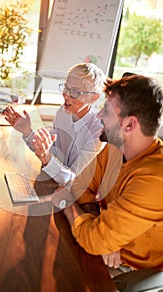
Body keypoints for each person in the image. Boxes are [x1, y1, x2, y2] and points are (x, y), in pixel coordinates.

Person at [54, 74, 163, 272]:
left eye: (106, 111)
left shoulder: (156, 179)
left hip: (134, 277)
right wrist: (102, 233)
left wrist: (66, 203)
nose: (98, 116)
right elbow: (80, 186)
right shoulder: (115, 148)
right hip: (103, 253)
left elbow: (94, 239)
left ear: (129, 124)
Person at [4, 63, 107, 185]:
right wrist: (27, 131)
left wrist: (46, 158)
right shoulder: (62, 113)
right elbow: (50, 150)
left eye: (74, 92)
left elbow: (73, 180)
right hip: (53, 183)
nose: (66, 95)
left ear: (93, 98)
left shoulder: (98, 132)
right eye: (66, 88)